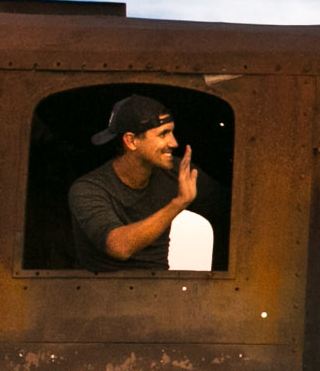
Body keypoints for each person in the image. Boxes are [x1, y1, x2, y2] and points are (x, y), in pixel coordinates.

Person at [68, 94, 225, 274]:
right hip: (100, 294)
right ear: (131, 141)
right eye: (163, 134)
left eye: (171, 132)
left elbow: (234, 214)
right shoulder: (88, 189)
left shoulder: (177, 172)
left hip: (157, 291)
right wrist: (178, 203)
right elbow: (119, 247)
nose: (173, 143)